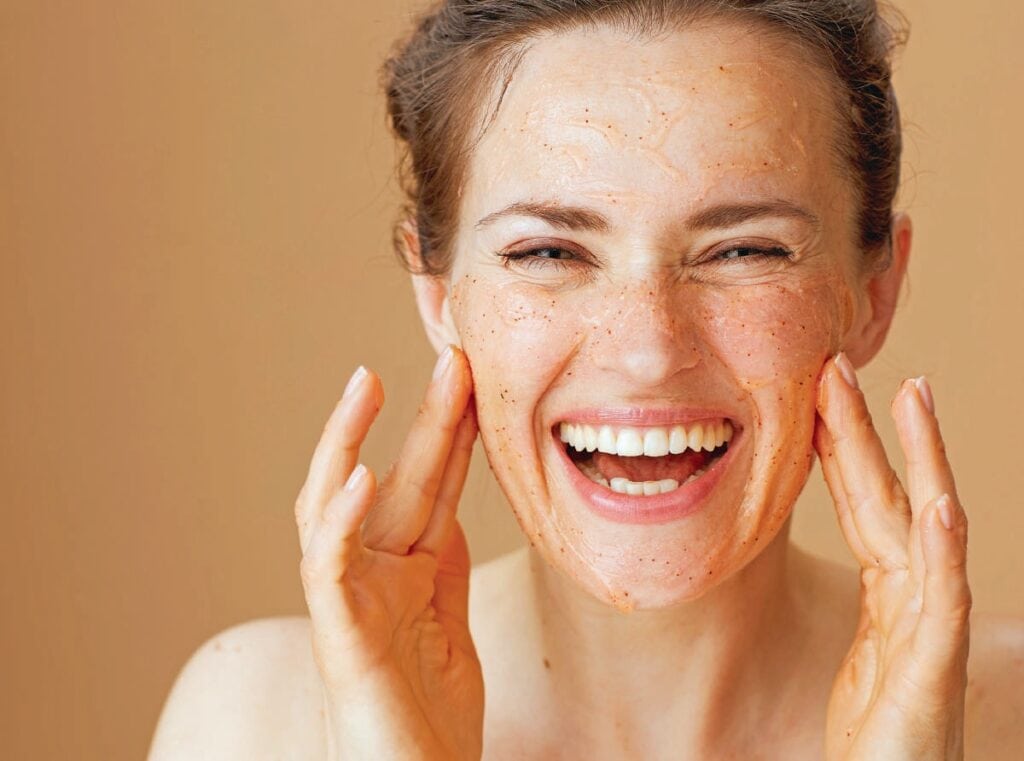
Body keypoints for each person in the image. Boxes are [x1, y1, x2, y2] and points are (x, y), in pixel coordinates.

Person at [148, 1, 1024, 759]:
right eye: (548, 252)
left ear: (874, 291)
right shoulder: (253, 722)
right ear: (440, 293)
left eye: (745, 249)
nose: (647, 349)